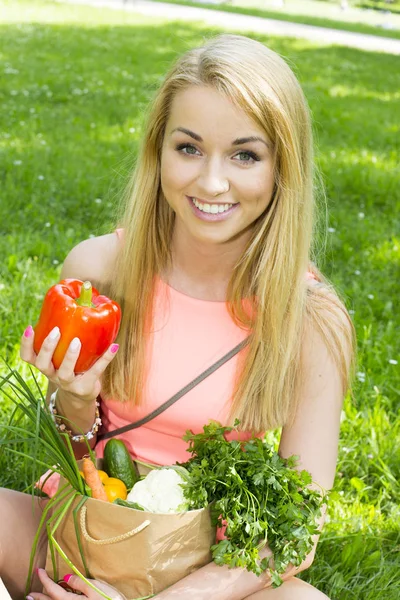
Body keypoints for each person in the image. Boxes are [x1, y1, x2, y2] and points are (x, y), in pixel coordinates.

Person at [1, 33, 355, 600]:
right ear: (157, 150)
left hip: (208, 566)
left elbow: (297, 531)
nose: (211, 182)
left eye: (245, 154)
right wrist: (71, 399)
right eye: (188, 148)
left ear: (281, 167)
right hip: (91, 536)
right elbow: (72, 447)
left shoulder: (310, 321)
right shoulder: (99, 270)